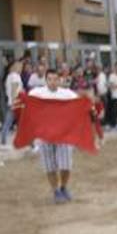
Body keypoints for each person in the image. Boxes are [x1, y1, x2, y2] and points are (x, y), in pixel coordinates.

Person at [30, 69, 79, 204]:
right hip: (45, 135)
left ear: (59, 80)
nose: (52, 82)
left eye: (55, 79)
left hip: (63, 135)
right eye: (50, 79)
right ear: (46, 80)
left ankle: (63, 186)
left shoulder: (68, 94)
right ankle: (55, 191)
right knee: (49, 166)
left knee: (66, 165)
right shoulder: (37, 93)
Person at [0, 60, 24, 148]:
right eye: (19, 66)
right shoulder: (15, 76)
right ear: (13, 67)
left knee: (10, 123)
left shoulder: (9, 76)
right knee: (22, 124)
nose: (21, 68)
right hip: (16, 103)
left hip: (13, 103)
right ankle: (31, 144)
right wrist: (15, 102)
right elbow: (14, 90)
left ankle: (3, 142)